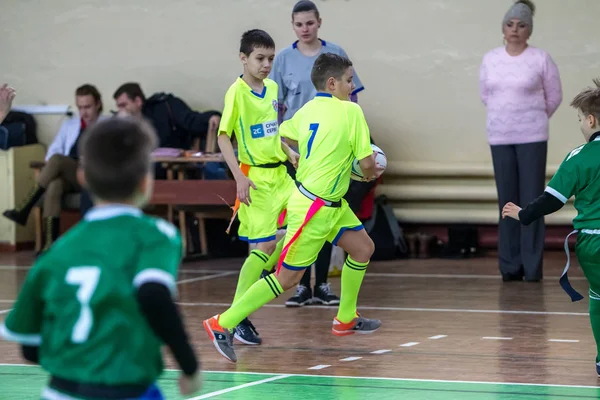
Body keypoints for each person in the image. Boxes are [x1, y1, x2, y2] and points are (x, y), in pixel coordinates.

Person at [0, 118, 202, 399]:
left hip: (61, 390)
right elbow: (154, 295)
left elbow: (30, 347)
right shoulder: (156, 234)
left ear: (82, 177)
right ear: (146, 182)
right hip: (126, 387)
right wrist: (189, 366)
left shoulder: (57, 250)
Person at [204, 53, 382, 363]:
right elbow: (368, 164)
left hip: (332, 205)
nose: (353, 86)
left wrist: (305, 154)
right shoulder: (352, 112)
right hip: (313, 208)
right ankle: (223, 323)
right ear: (332, 83)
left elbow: (282, 135)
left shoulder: (308, 110)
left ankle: (345, 318)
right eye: (349, 80)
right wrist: (367, 172)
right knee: (287, 280)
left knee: (363, 248)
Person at [270, 0, 366, 305]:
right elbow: (276, 106)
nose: (305, 29)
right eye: (299, 24)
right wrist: (283, 147)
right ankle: (298, 284)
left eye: (309, 23)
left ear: (319, 22)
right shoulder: (283, 59)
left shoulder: (334, 54)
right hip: (300, 146)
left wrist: (355, 135)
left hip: (332, 149)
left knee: (329, 212)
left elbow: (353, 98)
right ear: (293, 26)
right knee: (308, 215)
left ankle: (323, 284)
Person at [502, 78, 600, 376]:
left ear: (591, 120)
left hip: (594, 243)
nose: (581, 124)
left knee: (598, 296)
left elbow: (551, 200)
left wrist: (523, 214)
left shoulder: (579, 157)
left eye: (581, 119)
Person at [216, 29, 299, 346]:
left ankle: (262, 280)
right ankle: (236, 317)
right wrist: (238, 176)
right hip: (256, 181)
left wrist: (288, 151)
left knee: (306, 223)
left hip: (281, 175)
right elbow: (224, 137)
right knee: (262, 248)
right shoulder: (236, 93)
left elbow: (272, 130)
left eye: (270, 59)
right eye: (260, 58)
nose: (266, 64)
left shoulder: (274, 88)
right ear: (243, 58)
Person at [479, 0, 562, 282]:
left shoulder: (541, 58)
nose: (515, 29)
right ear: (503, 28)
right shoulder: (490, 58)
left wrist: (532, 119)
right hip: (500, 137)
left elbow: (554, 97)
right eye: (510, 24)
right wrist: (506, 119)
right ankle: (510, 267)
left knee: (531, 202)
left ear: (530, 30)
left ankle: (531, 267)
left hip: (532, 137)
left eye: (522, 25)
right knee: (507, 201)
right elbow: (486, 95)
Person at [2, 84, 105, 252]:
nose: (84, 112)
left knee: (57, 161)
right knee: (54, 184)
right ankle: (50, 244)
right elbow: (53, 150)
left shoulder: (108, 125)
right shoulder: (70, 125)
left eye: (88, 107)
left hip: (92, 175)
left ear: (98, 104)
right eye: (80, 107)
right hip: (71, 172)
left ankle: (25, 207)